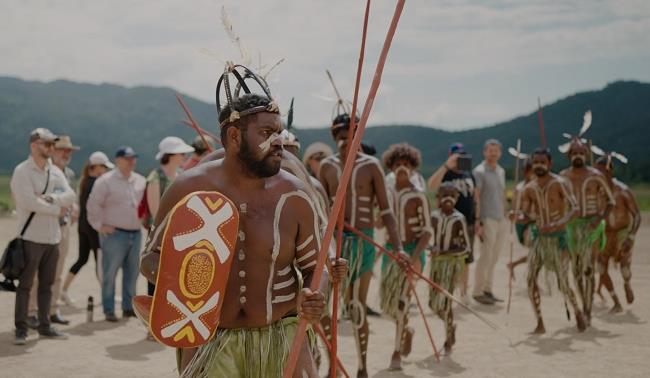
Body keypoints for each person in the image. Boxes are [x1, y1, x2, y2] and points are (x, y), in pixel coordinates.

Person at [140, 69, 343, 375]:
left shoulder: (296, 196)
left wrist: (318, 294)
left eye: (279, 132)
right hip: (211, 341)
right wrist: (186, 280)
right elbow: (149, 260)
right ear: (234, 137)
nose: (278, 142)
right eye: (266, 133)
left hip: (280, 339)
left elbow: (316, 267)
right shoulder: (189, 190)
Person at [319, 113, 404, 378]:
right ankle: (333, 364)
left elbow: (387, 211)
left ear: (359, 136)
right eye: (341, 137)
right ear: (335, 138)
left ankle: (362, 367)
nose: (346, 141)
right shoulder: (327, 167)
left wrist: (399, 247)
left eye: (351, 136)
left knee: (356, 305)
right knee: (326, 310)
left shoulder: (371, 166)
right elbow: (320, 212)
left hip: (364, 243)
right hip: (335, 244)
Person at [10, 128, 76, 345]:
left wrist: (48, 199)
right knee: (26, 285)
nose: (50, 148)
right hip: (31, 236)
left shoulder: (55, 172)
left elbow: (70, 195)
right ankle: (21, 328)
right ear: (33, 146)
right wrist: (57, 208)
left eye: (51, 144)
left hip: (53, 237)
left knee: (47, 284)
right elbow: (27, 201)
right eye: (46, 144)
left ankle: (45, 325)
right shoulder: (22, 171)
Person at [517, 148, 585, 334]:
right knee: (531, 279)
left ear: (549, 163)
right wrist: (517, 216)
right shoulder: (528, 189)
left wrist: (558, 224)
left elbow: (575, 209)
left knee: (563, 280)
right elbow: (526, 214)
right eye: (535, 162)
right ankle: (540, 322)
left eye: (542, 162)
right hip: (540, 239)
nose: (539, 166)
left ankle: (577, 311)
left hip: (558, 240)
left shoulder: (560, 183)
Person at [380, 143, 432, 370]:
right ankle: (407, 329)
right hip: (390, 253)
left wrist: (417, 256)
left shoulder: (418, 196)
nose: (401, 167)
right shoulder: (386, 193)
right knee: (388, 305)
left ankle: (396, 353)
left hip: (411, 254)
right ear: (390, 167)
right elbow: (378, 220)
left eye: (406, 164)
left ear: (413, 168)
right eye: (397, 164)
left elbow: (427, 230)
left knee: (402, 301)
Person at [86, 146, 146, 322]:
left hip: (136, 233)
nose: (131, 161)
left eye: (133, 158)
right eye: (127, 158)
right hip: (114, 234)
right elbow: (93, 205)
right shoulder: (105, 181)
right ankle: (109, 309)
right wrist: (99, 226)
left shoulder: (141, 180)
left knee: (132, 273)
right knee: (109, 274)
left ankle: (128, 308)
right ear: (117, 160)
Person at [560, 140, 614, 325]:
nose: (578, 155)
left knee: (589, 268)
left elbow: (610, 202)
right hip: (571, 228)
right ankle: (583, 306)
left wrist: (598, 219)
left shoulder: (596, 176)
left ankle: (588, 310)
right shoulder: (563, 177)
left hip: (591, 225)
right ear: (569, 155)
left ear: (587, 155)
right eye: (574, 152)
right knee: (576, 271)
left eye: (582, 152)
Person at [27, 135, 79, 327]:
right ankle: (31, 311)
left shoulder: (70, 174)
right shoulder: (44, 172)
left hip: (63, 228)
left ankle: (52, 310)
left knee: (57, 271)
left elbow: (72, 198)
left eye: (69, 151)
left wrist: (74, 209)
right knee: (36, 273)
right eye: (63, 150)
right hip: (43, 226)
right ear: (52, 150)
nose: (67, 154)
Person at [427, 143, 480, 303]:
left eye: (462, 156)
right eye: (455, 156)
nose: (459, 160)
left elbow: (476, 197)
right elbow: (431, 186)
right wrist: (446, 166)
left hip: (468, 223)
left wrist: (478, 220)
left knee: (465, 256)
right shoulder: (446, 173)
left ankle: (464, 292)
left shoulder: (469, 174)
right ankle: (443, 289)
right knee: (444, 254)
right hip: (447, 223)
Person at [144, 136, 194, 298]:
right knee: (155, 269)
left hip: (178, 233)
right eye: (181, 153)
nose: (184, 156)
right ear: (172, 155)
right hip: (159, 234)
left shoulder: (181, 175)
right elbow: (155, 211)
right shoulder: (155, 176)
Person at [61, 152, 113, 305]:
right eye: (103, 167)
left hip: (83, 227)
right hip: (93, 228)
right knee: (100, 261)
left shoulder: (84, 181)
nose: (105, 170)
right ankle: (106, 295)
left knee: (82, 259)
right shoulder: (96, 183)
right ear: (95, 166)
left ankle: (63, 290)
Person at [594, 155, 641, 312]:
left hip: (622, 232)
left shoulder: (622, 191)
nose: (597, 174)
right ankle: (616, 302)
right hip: (606, 233)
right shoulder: (597, 193)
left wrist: (631, 236)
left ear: (609, 172)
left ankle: (627, 283)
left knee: (624, 269)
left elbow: (637, 216)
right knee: (600, 267)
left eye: (600, 171)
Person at [429, 182, 470, 353]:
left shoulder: (459, 219)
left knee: (446, 301)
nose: (448, 199)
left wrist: (445, 251)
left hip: (452, 264)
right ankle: (450, 325)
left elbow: (466, 247)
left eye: (452, 195)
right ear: (438, 197)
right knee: (432, 303)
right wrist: (432, 248)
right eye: (444, 194)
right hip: (436, 264)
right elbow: (427, 238)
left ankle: (447, 338)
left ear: (457, 198)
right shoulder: (434, 216)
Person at [472, 139, 507, 305]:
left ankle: (488, 289)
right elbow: (476, 196)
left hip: (501, 218)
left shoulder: (501, 171)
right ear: (485, 152)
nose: (493, 153)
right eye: (490, 151)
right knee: (485, 255)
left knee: (495, 256)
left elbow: (501, 195)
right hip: (487, 218)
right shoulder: (479, 171)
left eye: (496, 151)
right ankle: (478, 291)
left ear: (500, 153)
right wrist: (477, 221)